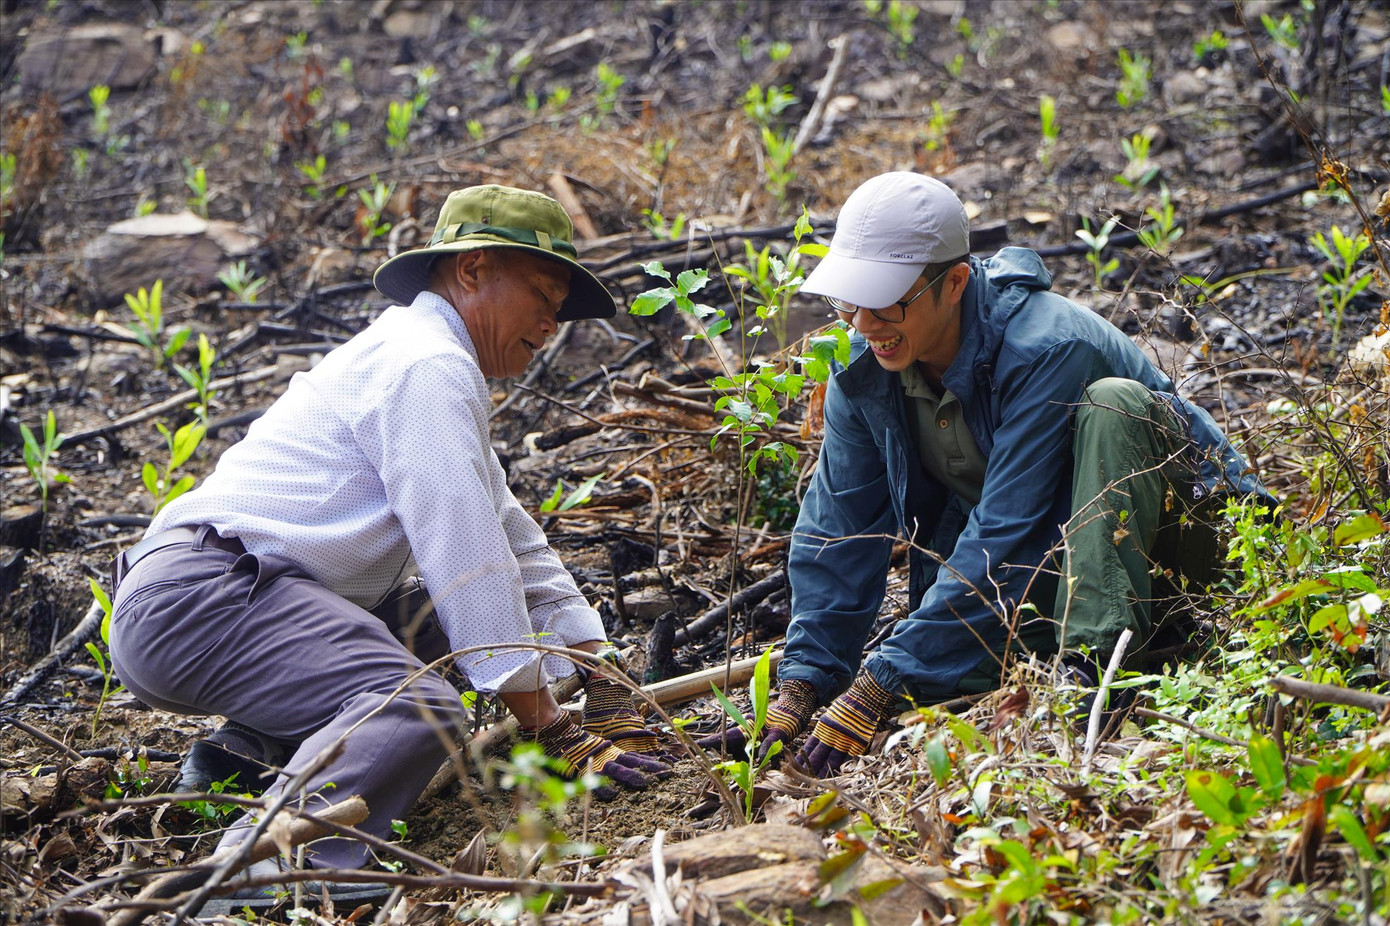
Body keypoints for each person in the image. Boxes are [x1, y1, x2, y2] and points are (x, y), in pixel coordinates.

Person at [108, 185, 670, 904]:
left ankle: (238, 761)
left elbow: (511, 536)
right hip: (204, 600)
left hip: (219, 597)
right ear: (472, 271)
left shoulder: (424, 357)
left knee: (429, 629)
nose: (553, 321)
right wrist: (550, 725)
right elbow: (467, 555)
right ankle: (249, 887)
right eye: (542, 292)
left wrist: (602, 672)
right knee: (414, 704)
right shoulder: (424, 365)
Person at [727, 172, 1270, 777]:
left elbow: (1011, 527)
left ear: (954, 282)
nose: (863, 324)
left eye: (885, 302)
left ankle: (1095, 682)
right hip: (1052, 564)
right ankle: (1057, 653)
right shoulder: (863, 368)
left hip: (1182, 558)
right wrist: (805, 680)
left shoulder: (1048, 347)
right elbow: (839, 525)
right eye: (849, 302)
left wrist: (885, 677)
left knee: (1114, 402)